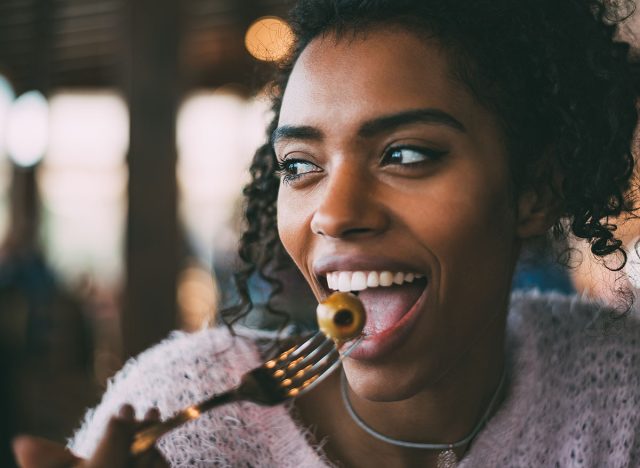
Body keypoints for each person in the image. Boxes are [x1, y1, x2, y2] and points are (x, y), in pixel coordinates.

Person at [12, 0, 640, 466]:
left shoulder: (616, 390)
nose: (333, 214)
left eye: (407, 154)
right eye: (301, 166)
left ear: (535, 188)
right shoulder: (183, 418)